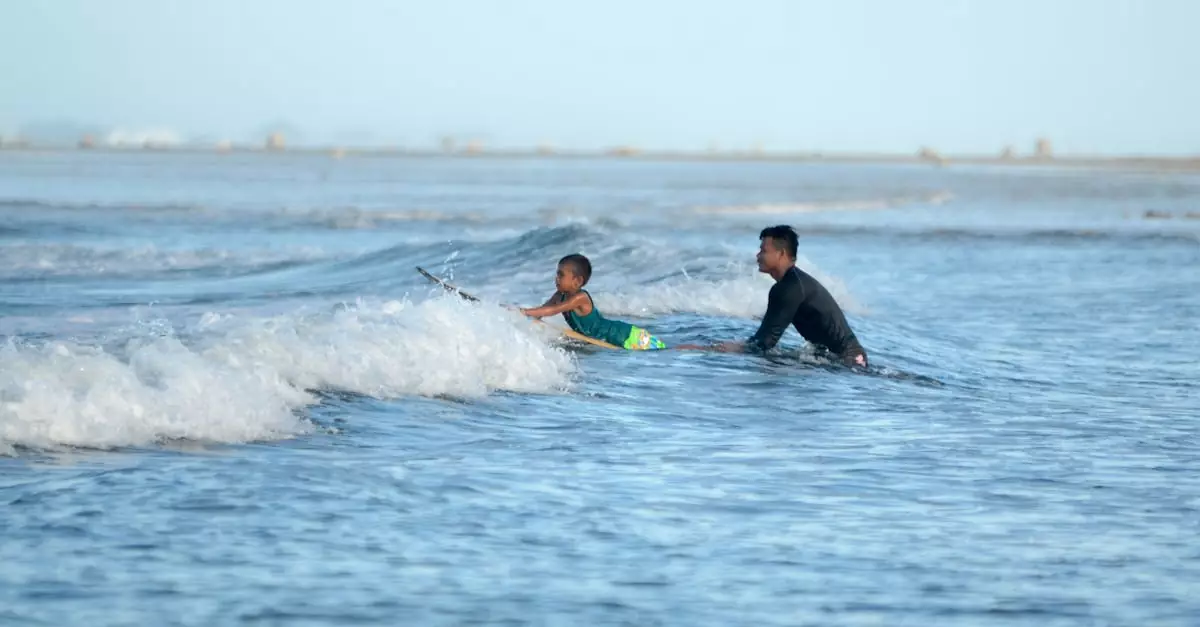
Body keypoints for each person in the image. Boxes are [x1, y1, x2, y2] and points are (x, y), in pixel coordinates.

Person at [701, 225, 869, 368]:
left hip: (848, 362)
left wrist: (714, 350)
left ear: (781, 254)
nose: (758, 255)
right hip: (845, 359)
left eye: (763, 250)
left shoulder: (789, 288)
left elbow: (764, 343)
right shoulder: (793, 283)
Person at [519, 254, 669, 350]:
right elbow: (543, 310)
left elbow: (552, 311)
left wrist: (523, 312)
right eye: (556, 274)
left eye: (561, 275)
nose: (556, 278)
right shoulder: (560, 295)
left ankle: (691, 350)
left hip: (625, 335)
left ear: (577, 281)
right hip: (611, 337)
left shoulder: (580, 298)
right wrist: (520, 318)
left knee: (666, 351)